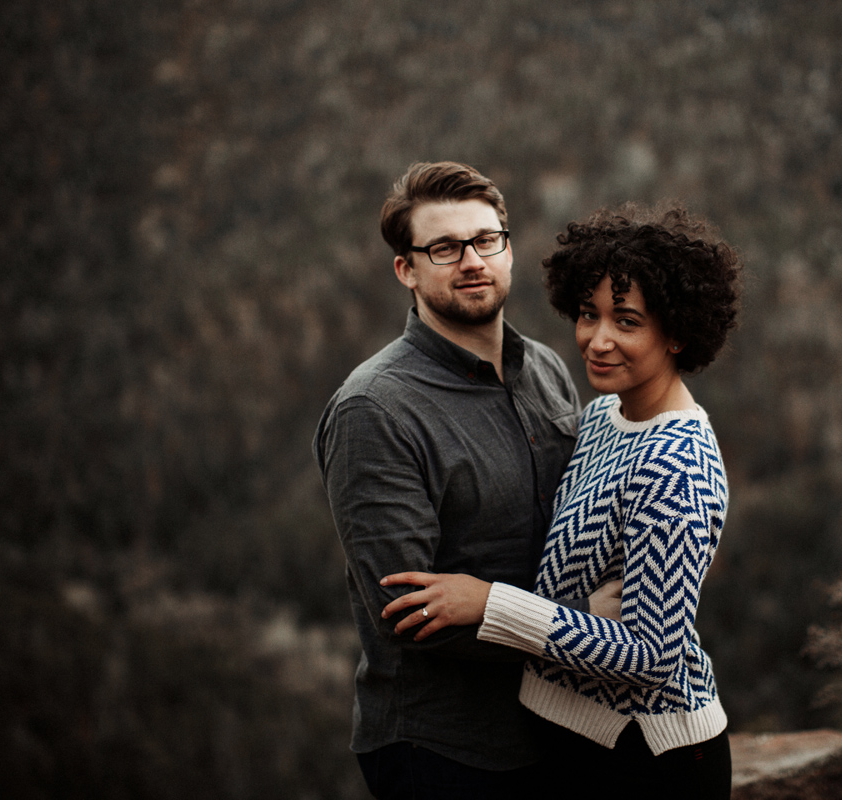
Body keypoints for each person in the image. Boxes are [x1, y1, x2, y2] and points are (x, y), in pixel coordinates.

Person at [380, 203, 742, 798]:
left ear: (677, 332)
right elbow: (564, 569)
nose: (597, 341)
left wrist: (490, 604)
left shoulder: (679, 466)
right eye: (587, 314)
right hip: (572, 740)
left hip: (651, 751)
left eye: (627, 321)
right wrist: (580, 609)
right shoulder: (602, 416)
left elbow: (653, 655)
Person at [314, 161, 606, 799]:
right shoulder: (375, 409)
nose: (472, 260)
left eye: (486, 239)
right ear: (407, 270)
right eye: (444, 248)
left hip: (559, 730)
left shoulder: (549, 370)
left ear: (508, 247)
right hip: (444, 749)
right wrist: (588, 626)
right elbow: (411, 618)